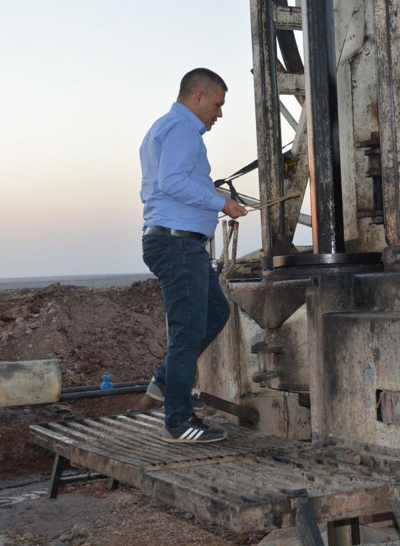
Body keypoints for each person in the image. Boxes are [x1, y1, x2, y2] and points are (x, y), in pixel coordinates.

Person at [139, 68, 247, 443]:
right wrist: (221, 202)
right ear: (198, 97)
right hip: (177, 244)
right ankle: (178, 421)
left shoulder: (163, 128)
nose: (219, 113)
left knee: (216, 312)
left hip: (178, 243)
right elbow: (172, 182)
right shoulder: (182, 129)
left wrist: (215, 199)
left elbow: (175, 182)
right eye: (217, 104)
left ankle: (167, 378)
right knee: (187, 334)